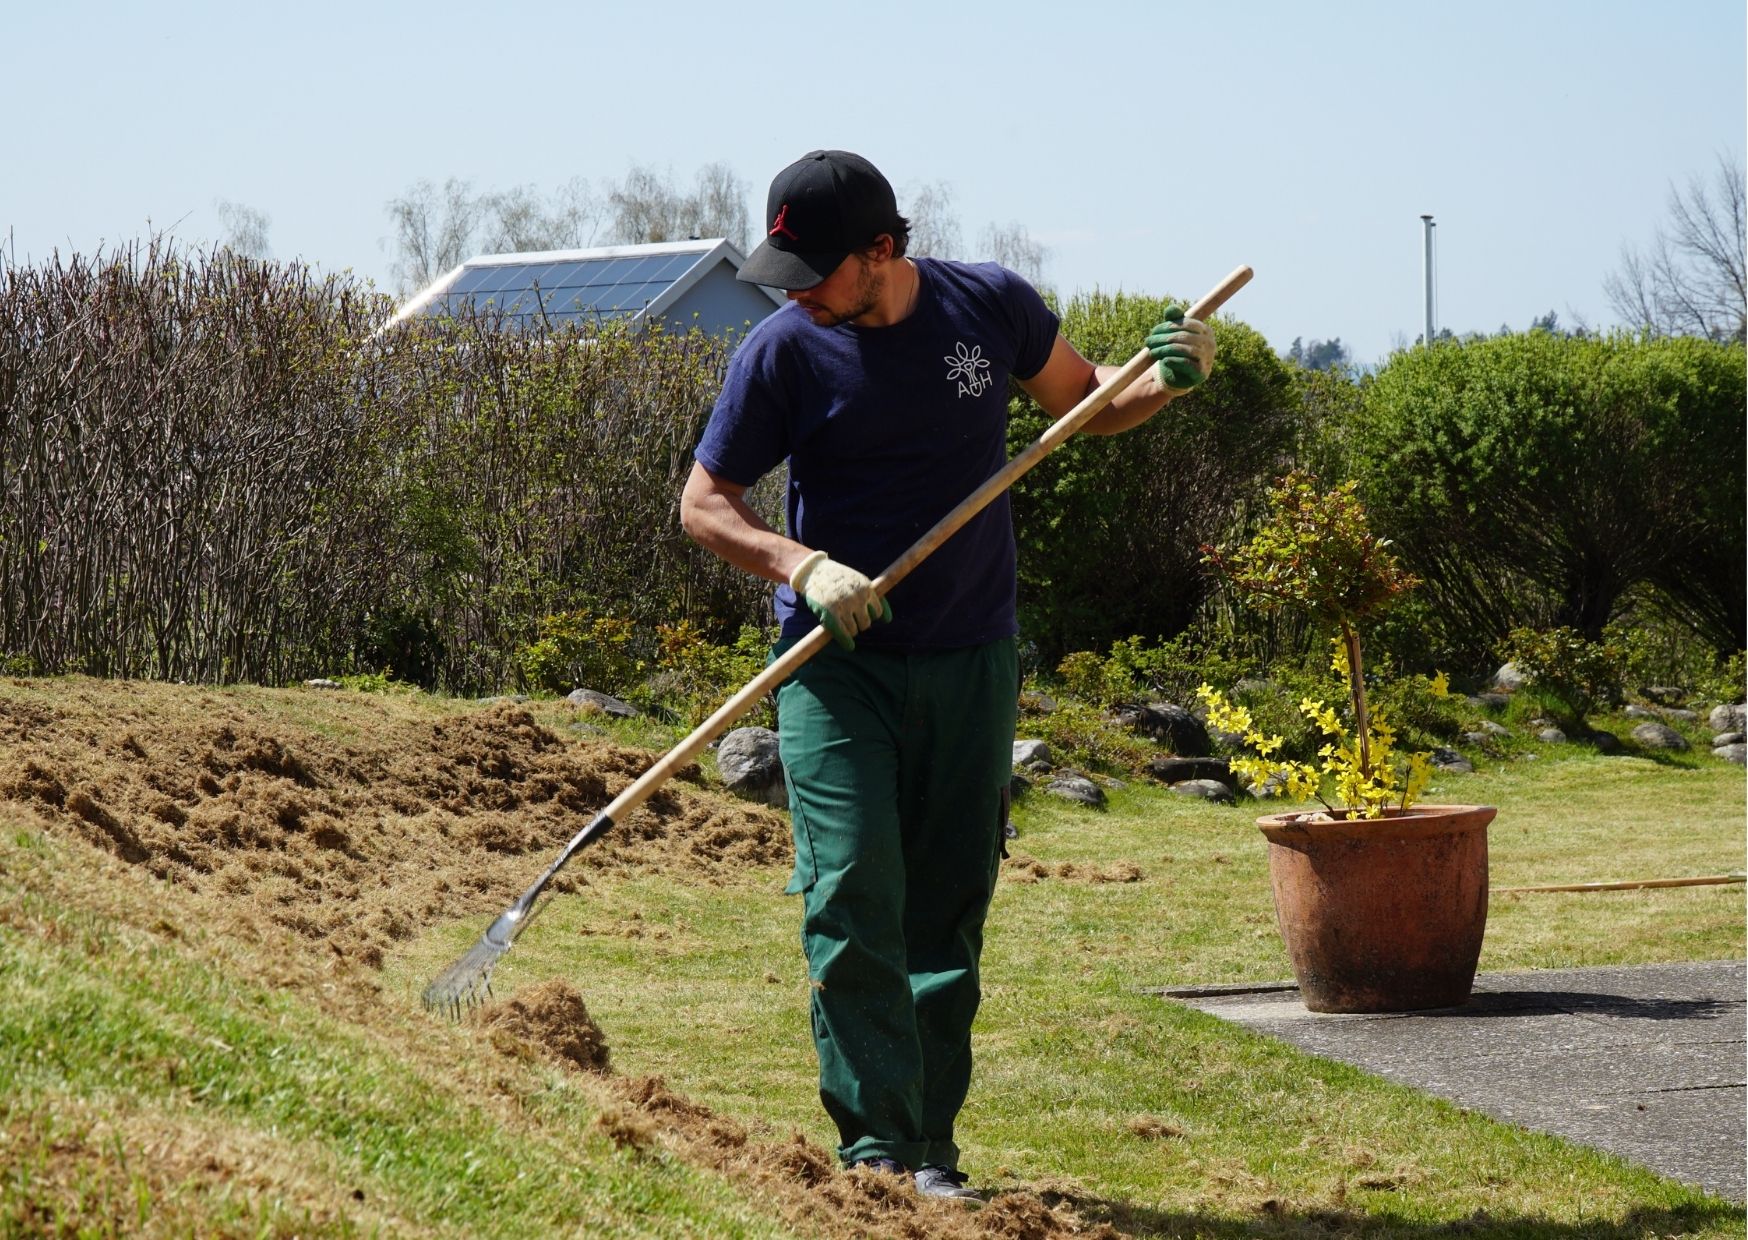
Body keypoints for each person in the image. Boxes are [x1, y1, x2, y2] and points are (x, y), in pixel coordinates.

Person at [679, 150, 1215, 1201]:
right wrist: (803, 565)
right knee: (850, 885)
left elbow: (1086, 405)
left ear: (881, 251)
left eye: (813, 268)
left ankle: (929, 1148)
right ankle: (873, 1149)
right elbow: (704, 503)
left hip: (970, 657)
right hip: (835, 667)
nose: (793, 290)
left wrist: (1163, 377)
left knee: (946, 903)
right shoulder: (784, 351)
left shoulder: (988, 306)